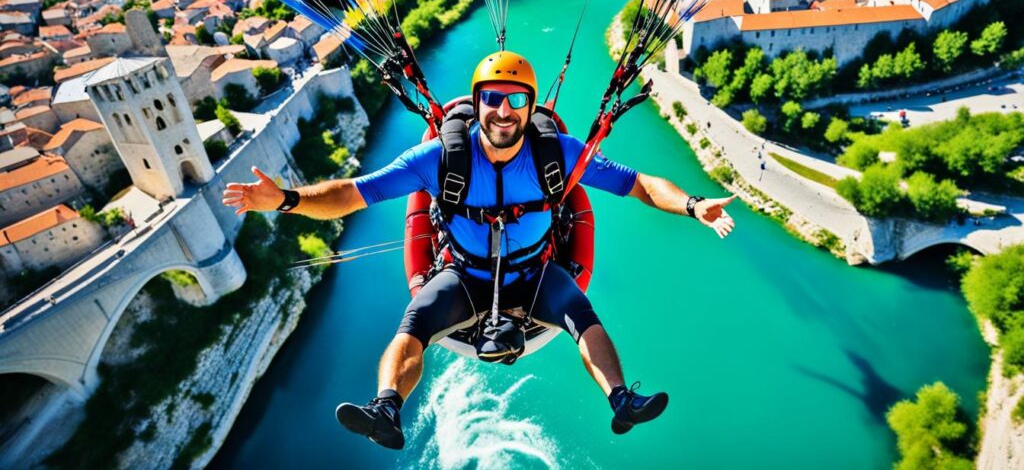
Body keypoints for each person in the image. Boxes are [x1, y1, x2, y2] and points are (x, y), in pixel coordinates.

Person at [221, 51, 737, 449]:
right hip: (462, 273)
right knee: (415, 320)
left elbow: (639, 184)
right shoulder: (439, 158)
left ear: (531, 105)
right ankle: (385, 409)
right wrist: (286, 199)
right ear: (478, 102)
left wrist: (692, 205)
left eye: (516, 100)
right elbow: (353, 193)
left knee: (582, 314)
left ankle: (621, 400)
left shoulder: (557, 153)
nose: (504, 110)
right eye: (493, 98)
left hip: (534, 271)